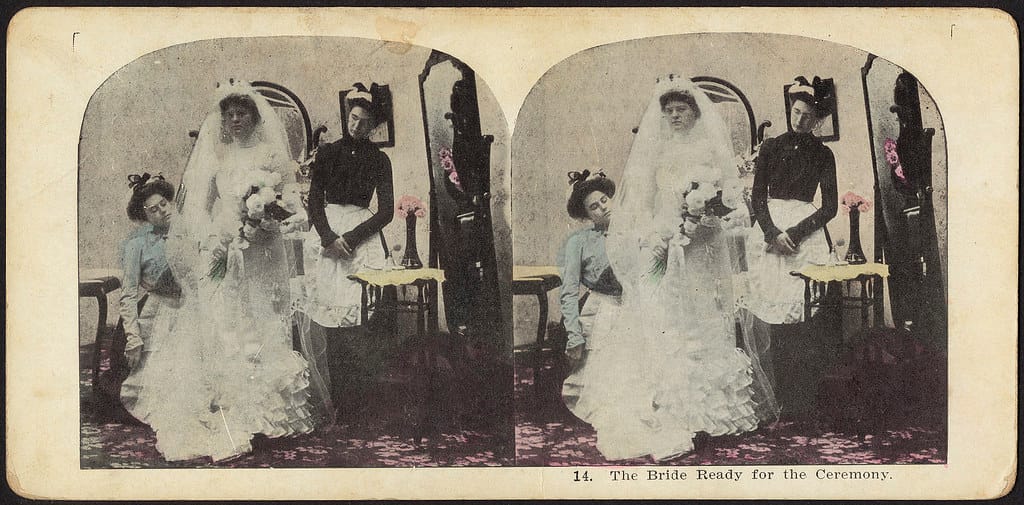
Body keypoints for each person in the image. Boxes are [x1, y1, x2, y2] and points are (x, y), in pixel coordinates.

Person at [574, 74, 775, 462]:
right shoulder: (657, 151)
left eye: (682, 109)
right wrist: (658, 232)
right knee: (670, 316)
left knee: (707, 315)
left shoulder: (709, 150)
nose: (675, 115)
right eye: (669, 111)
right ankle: (673, 407)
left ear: (695, 111)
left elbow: (730, 200)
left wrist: (704, 217)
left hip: (703, 247)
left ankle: (713, 414)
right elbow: (645, 202)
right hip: (667, 245)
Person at [139, 80, 318, 462]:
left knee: (264, 321)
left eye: (242, 113)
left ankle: (267, 416)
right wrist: (216, 236)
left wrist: (266, 220)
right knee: (228, 323)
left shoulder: (272, 154)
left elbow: (294, 204)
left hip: (263, 252)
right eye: (230, 114)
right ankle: (230, 412)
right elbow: (200, 209)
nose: (236, 119)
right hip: (224, 251)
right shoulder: (217, 156)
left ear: (255, 116)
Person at [743, 76, 838, 418]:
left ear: (817, 120)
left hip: (804, 235)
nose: (800, 120)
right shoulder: (770, 147)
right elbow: (756, 196)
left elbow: (830, 207)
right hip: (770, 233)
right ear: (790, 110)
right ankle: (774, 397)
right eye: (797, 112)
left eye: (808, 116)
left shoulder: (823, 154)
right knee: (771, 316)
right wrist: (771, 233)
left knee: (801, 315)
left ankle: (802, 401)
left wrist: (794, 235)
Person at [305, 83, 394, 413]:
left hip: (360, 235)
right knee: (328, 314)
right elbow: (315, 199)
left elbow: (386, 210)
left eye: (365, 122)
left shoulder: (380, 160)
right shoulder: (328, 152)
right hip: (327, 234)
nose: (357, 126)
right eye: (354, 118)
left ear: (373, 126)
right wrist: (328, 238)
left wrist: (352, 239)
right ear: (348, 117)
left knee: (358, 317)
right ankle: (332, 399)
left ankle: (359, 401)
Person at [101, 174, 181, 423]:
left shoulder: (187, 233)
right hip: (154, 314)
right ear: (145, 217)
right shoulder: (137, 245)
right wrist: (133, 338)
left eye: (164, 205)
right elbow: (128, 294)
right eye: (153, 210)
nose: (161, 212)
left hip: (187, 310)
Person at [557, 171, 623, 411]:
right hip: (601, 309)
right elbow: (569, 291)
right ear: (586, 215)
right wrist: (574, 335)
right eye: (594, 207)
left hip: (631, 307)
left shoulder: (629, 231)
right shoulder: (579, 242)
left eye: (604, 200)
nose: (602, 208)